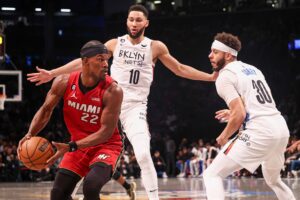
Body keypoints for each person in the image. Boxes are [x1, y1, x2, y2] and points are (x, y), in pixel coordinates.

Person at [27, 4, 217, 199]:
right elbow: (83, 61)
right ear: (127, 21)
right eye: (131, 19)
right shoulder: (114, 44)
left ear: (146, 23)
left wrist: (210, 77)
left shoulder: (155, 46)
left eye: (138, 20)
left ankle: (154, 198)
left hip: (134, 107)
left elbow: (179, 68)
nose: (134, 24)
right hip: (106, 103)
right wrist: (53, 73)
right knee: (84, 152)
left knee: (143, 154)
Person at [18, 40, 124, 200]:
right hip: (77, 145)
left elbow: (105, 133)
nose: (105, 64)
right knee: (58, 195)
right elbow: (46, 110)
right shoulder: (63, 82)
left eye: (107, 60)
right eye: (100, 59)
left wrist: (72, 146)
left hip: (107, 146)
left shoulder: (113, 90)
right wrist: (30, 133)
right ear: (85, 61)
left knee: (91, 186)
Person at [202, 32, 296, 200]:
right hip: (280, 130)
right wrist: (232, 112)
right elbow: (257, 103)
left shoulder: (224, 76)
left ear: (228, 55)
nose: (210, 55)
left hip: (260, 132)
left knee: (212, 175)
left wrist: (223, 136)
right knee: (274, 181)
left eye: (215, 52)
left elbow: (240, 114)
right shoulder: (253, 69)